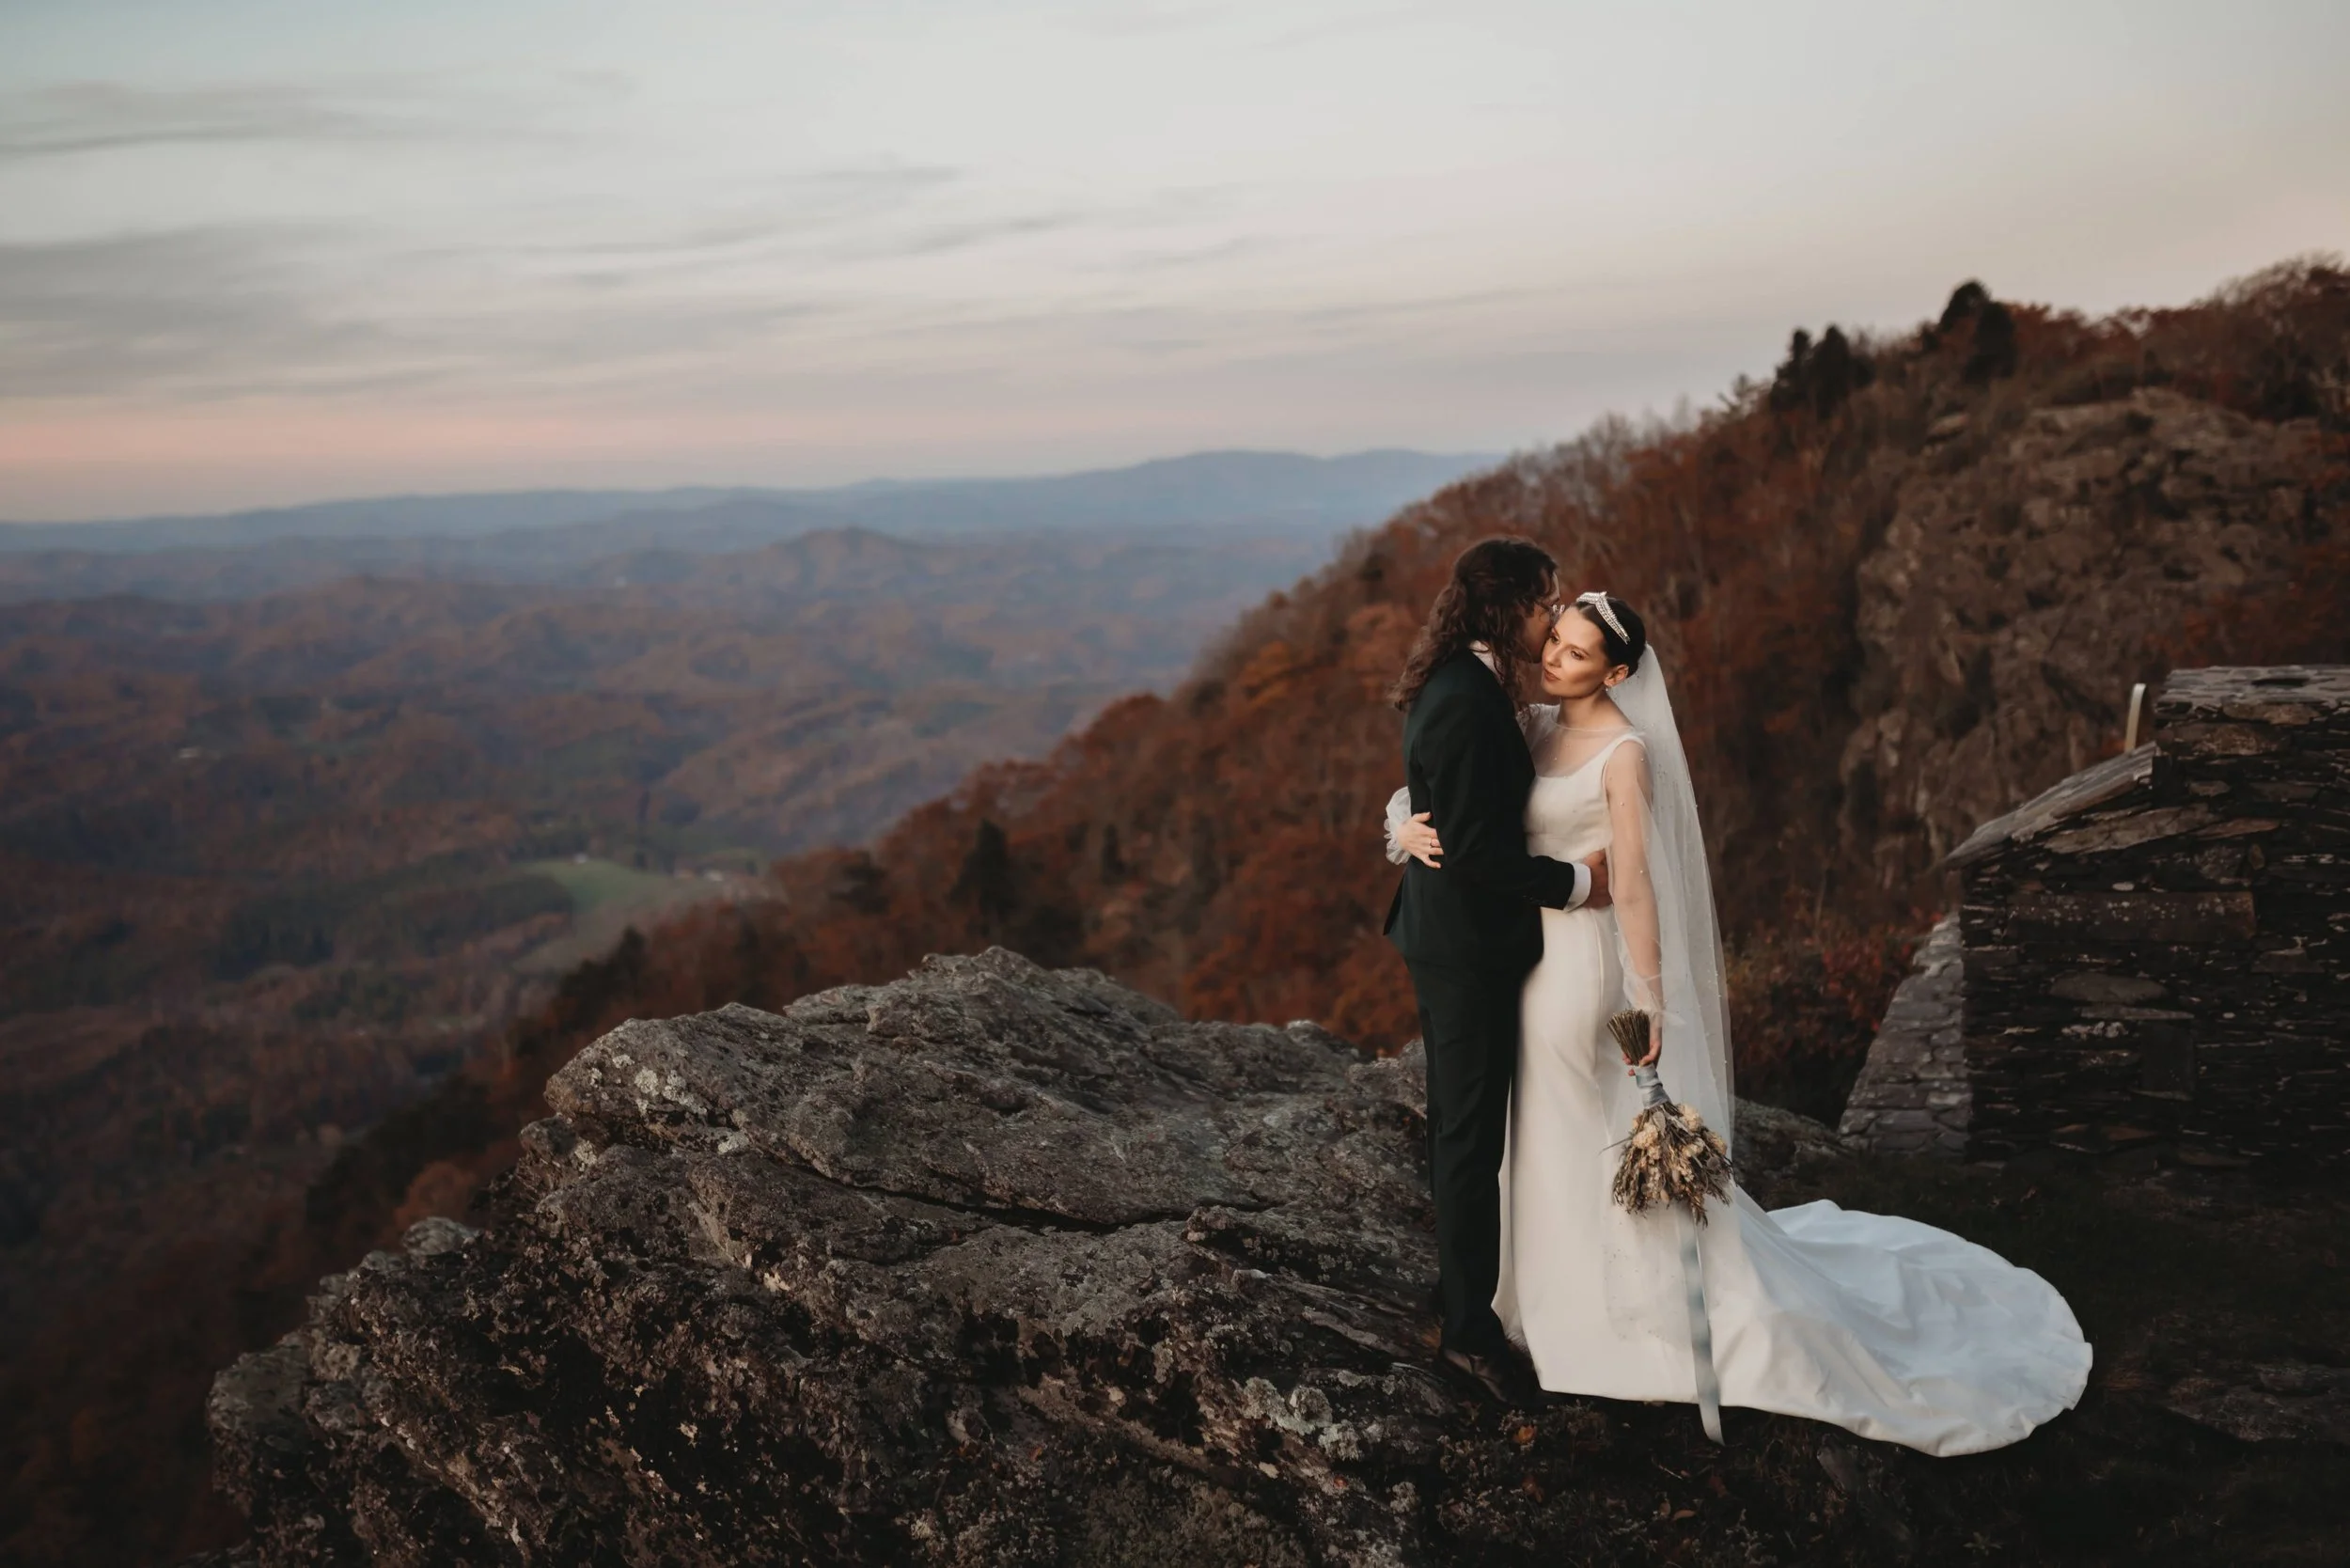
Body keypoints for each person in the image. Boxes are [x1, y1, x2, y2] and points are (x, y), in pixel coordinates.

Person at [1386, 588, 2093, 1454]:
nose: (1554, 659)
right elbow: (1455, 791)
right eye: (1555, 643)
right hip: (1523, 959)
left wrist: (1649, 998)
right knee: (1539, 1127)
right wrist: (1403, 825)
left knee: (1578, 1117)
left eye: (1575, 653)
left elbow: (1638, 884)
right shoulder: (1530, 722)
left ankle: (1607, 1312)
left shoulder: (1623, 752)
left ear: (1616, 672)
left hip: (1582, 969)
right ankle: (1531, 1292)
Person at [1382, 537, 1609, 1405]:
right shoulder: (1467, 699)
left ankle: (1470, 1294)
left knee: (1462, 1128)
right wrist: (1580, 884)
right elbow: (1474, 849)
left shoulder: (1466, 681)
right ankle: (1469, 1334)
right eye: (1544, 603)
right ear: (1504, 606)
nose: (1553, 618)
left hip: (1453, 938)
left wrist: (1406, 822)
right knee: (1470, 1139)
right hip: (1466, 947)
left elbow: (1441, 798)